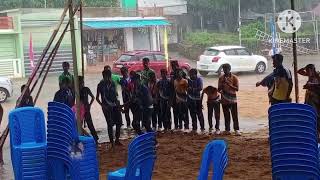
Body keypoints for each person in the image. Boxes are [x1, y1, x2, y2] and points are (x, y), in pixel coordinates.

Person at [96, 69, 122, 147]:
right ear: (104, 76)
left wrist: (118, 104)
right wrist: (102, 105)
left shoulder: (113, 83)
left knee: (119, 122)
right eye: (108, 76)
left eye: (109, 76)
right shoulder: (100, 85)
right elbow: (97, 97)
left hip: (114, 105)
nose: (109, 77)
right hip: (106, 107)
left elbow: (115, 95)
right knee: (109, 124)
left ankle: (117, 140)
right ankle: (112, 142)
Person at [218, 64, 240, 136]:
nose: (225, 71)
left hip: (233, 99)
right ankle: (227, 129)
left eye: (226, 69)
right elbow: (218, 89)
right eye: (224, 69)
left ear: (229, 69)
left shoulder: (234, 77)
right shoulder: (221, 78)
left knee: (234, 115)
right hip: (224, 99)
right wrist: (222, 84)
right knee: (226, 115)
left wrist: (229, 84)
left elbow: (237, 89)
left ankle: (236, 130)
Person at [298, 64, 320, 133]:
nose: (308, 73)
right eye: (307, 71)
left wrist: (311, 85)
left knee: (316, 115)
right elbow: (299, 71)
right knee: (309, 113)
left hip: (316, 99)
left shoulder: (318, 75)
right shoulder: (309, 75)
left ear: (313, 70)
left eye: (309, 71)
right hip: (309, 98)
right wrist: (304, 67)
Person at [78, 76, 99, 143]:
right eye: (81, 82)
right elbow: (92, 97)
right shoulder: (78, 90)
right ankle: (84, 138)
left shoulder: (83, 89)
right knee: (81, 125)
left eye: (82, 82)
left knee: (89, 124)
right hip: (81, 109)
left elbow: (93, 97)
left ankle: (94, 138)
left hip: (84, 109)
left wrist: (89, 105)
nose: (82, 83)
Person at [170, 60, 188, 131]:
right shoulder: (172, 73)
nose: (173, 66)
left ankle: (186, 126)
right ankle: (177, 126)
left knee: (184, 111)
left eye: (175, 65)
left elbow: (186, 81)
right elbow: (171, 84)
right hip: (174, 94)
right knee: (175, 111)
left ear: (177, 64)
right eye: (172, 65)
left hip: (182, 94)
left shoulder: (182, 71)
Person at [187, 69, 205, 133]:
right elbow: (186, 88)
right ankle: (194, 128)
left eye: (192, 74)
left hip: (197, 100)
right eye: (190, 74)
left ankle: (202, 128)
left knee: (199, 114)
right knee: (192, 114)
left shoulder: (199, 79)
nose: (191, 76)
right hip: (190, 100)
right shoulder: (188, 80)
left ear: (195, 74)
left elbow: (200, 88)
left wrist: (192, 89)